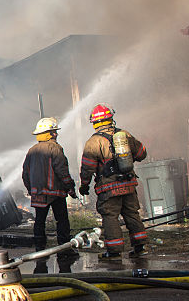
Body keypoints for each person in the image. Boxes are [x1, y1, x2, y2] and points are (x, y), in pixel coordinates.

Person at [79, 104, 148, 260]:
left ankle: (114, 251)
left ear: (95, 122)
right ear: (111, 118)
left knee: (110, 217)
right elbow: (142, 153)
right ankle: (141, 247)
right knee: (132, 214)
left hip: (109, 188)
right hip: (129, 184)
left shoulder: (93, 142)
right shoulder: (125, 135)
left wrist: (84, 186)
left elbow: (87, 168)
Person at [22, 117, 79, 273]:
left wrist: (31, 189)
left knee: (39, 222)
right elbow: (62, 171)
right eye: (54, 131)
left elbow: (25, 173)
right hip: (56, 193)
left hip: (38, 193)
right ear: (51, 133)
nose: (56, 134)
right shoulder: (55, 149)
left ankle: (40, 251)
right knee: (62, 221)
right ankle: (64, 250)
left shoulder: (32, 150)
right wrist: (70, 187)